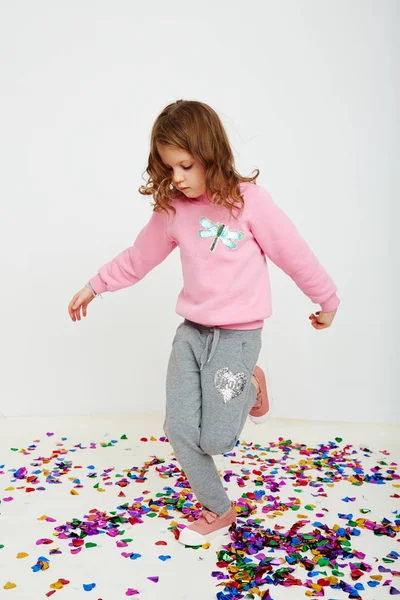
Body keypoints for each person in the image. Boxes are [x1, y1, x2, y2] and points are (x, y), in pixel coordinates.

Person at [68, 99, 340, 547]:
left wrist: (325, 300)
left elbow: (294, 254)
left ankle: (251, 386)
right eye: (168, 168)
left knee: (216, 439)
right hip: (191, 336)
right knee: (178, 429)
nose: (176, 177)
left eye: (185, 165)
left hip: (237, 341)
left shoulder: (251, 202)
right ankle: (219, 508)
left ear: (210, 153)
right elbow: (139, 258)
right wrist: (95, 285)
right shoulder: (174, 210)